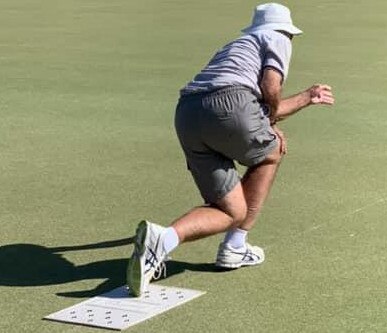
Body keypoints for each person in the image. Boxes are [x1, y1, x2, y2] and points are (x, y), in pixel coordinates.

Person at [126, 2, 335, 297]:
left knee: (230, 210)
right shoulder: (276, 37)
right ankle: (235, 246)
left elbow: (255, 106)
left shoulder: (236, 47)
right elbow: (270, 88)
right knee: (273, 151)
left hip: (188, 113)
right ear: (285, 31)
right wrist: (270, 127)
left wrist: (306, 98)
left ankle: (164, 239)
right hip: (231, 105)